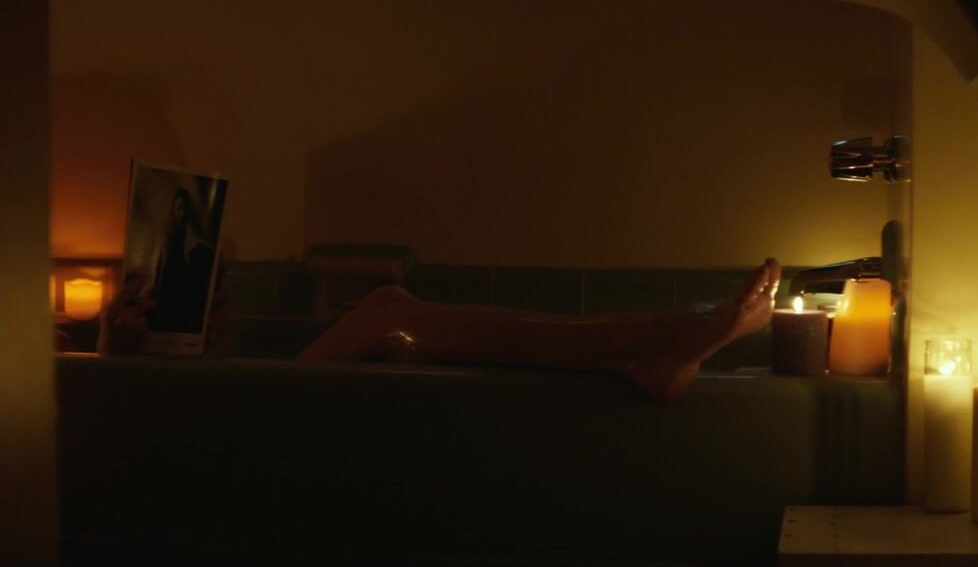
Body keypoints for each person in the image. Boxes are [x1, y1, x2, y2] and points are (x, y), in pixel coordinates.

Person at [99, 257, 781, 401]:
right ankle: (649, 342)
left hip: (245, 400)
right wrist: (116, 354)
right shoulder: (80, 381)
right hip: (256, 413)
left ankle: (648, 342)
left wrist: (201, 339)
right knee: (392, 319)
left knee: (390, 300)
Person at [146, 187, 216, 333]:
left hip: (181, 307)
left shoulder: (195, 244)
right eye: (179, 209)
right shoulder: (167, 240)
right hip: (164, 303)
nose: (182, 214)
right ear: (173, 210)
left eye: (185, 209)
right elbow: (159, 275)